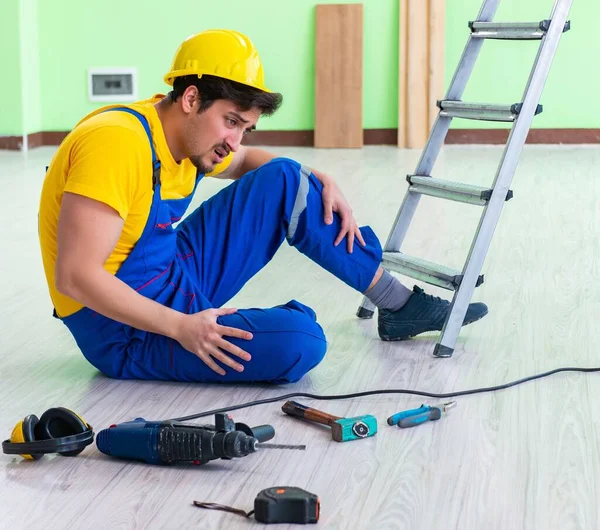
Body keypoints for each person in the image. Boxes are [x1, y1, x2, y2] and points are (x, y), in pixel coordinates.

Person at [38, 29, 488, 384]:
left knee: (287, 176)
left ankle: (397, 303)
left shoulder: (190, 137)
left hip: (170, 271)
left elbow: (256, 165)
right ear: (191, 98)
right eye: (231, 122)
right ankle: (274, 322)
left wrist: (319, 179)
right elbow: (77, 277)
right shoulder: (117, 142)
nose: (235, 141)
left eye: (245, 128)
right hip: (123, 330)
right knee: (301, 342)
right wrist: (181, 327)